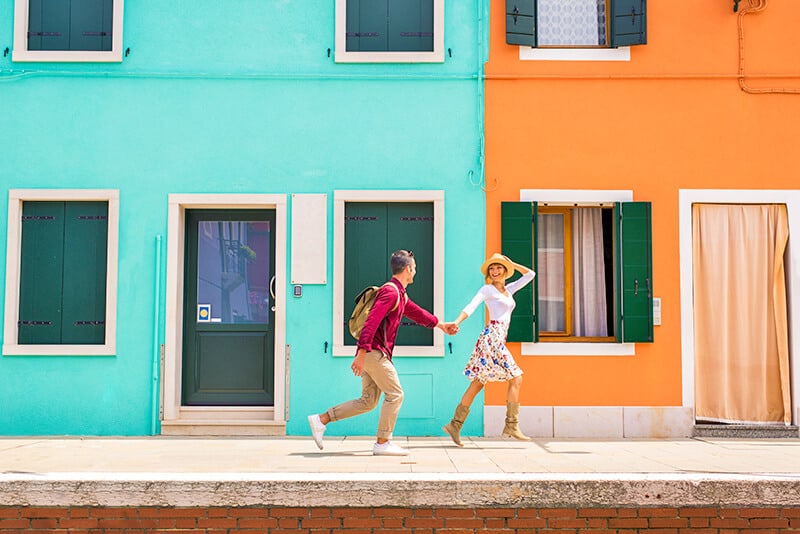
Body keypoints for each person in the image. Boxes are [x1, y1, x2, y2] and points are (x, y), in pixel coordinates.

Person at [308, 250, 458, 456]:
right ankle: (382, 442)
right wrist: (361, 353)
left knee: (368, 401)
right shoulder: (391, 292)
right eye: (414, 268)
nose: (415, 271)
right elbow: (371, 322)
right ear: (408, 269)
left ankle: (321, 420)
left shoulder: (399, 294)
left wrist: (442, 325)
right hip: (374, 352)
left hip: (372, 353)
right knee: (396, 394)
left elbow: (417, 313)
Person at [443, 253, 536, 446]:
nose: (494, 271)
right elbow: (471, 306)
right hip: (492, 338)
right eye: (492, 269)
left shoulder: (508, 290)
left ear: (505, 271)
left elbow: (530, 275)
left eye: (498, 268)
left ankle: (455, 424)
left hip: (498, 337)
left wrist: (512, 263)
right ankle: (511, 424)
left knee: (478, 383)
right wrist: (456, 322)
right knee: (516, 377)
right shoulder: (487, 290)